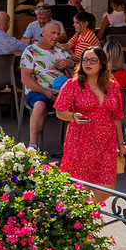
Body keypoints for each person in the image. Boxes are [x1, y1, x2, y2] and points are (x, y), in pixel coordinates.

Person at [53, 43, 124, 195]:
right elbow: (60, 111)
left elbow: (117, 117)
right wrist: (73, 116)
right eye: (85, 60)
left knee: (105, 190)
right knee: (80, 187)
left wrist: (122, 144)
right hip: (81, 140)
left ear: (102, 64)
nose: (87, 63)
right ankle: (83, 216)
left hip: (107, 142)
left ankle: (88, 213)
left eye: (93, 60)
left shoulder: (112, 86)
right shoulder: (72, 84)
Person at [21, 20, 72, 155]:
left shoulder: (60, 50)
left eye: (58, 33)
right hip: (38, 89)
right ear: (43, 33)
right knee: (39, 105)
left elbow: (75, 76)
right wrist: (45, 92)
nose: (56, 37)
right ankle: (33, 145)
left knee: (81, 104)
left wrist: (68, 64)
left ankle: (74, 147)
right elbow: (25, 78)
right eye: (53, 33)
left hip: (62, 91)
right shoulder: (30, 51)